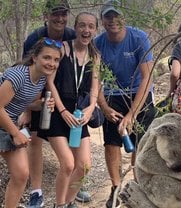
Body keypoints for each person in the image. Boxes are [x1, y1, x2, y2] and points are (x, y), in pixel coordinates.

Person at [22, 1, 91, 207]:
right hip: (38, 90)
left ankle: (73, 186)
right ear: (46, 14)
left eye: (63, 13)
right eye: (55, 14)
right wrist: (28, 107)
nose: (60, 18)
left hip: (63, 94)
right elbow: (27, 71)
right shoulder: (35, 38)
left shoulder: (72, 34)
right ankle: (36, 191)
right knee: (35, 138)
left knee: (74, 146)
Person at [94, 1, 156, 207]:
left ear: (123, 18)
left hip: (138, 92)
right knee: (112, 142)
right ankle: (116, 187)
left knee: (140, 143)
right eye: (108, 17)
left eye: (116, 16)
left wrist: (132, 114)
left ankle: (140, 186)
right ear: (102, 21)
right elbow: (94, 79)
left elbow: (147, 77)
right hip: (113, 95)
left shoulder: (139, 38)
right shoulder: (98, 43)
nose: (112, 21)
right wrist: (104, 107)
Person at [37, 12, 100, 208]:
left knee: (84, 165)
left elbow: (94, 88)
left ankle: (69, 201)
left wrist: (91, 108)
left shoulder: (95, 56)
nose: (86, 30)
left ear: (96, 30)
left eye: (90, 26)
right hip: (58, 113)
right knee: (68, 164)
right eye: (82, 25)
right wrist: (63, 111)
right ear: (75, 27)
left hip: (79, 115)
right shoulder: (63, 49)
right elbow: (49, 82)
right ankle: (59, 204)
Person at [0, 38, 61, 208]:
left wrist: (41, 104)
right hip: (6, 123)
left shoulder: (41, 78)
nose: (52, 63)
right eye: (47, 58)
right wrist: (16, 133)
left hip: (7, 124)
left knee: (21, 174)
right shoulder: (19, 75)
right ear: (35, 57)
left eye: (56, 60)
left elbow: (26, 103)